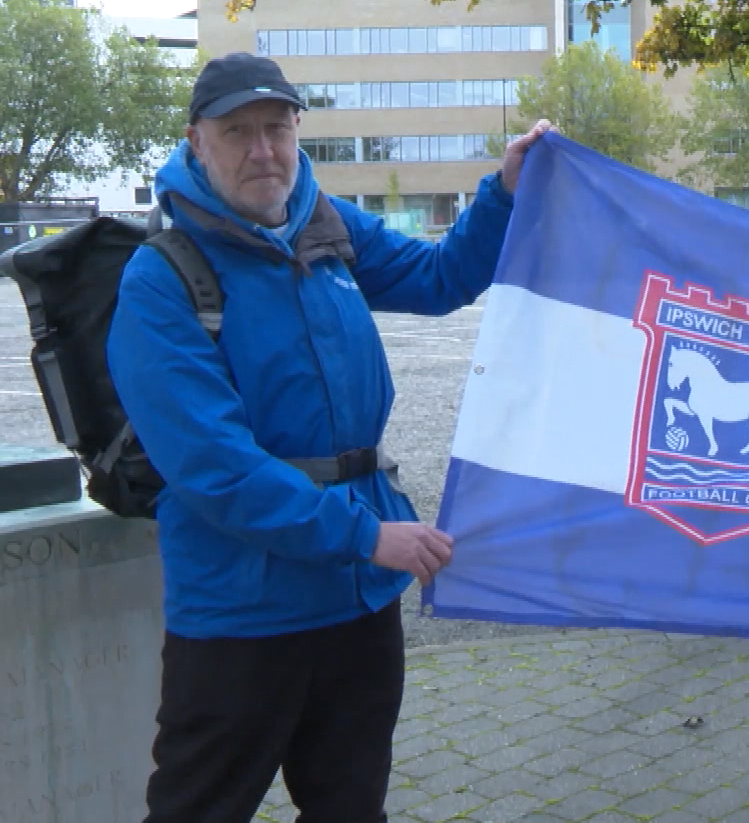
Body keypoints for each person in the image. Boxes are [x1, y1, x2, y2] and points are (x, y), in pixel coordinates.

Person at [106, 52, 552, 823]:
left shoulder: (330, 227)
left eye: (277, 128)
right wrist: (368, 536)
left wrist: (505, 194)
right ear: (195, 141)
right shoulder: (163, 277)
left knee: (351, 807)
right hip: (245, 609)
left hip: (356, 600)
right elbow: (215, 469)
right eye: (237, 131)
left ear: (298, 132)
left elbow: (441, 278)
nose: (262, 151)